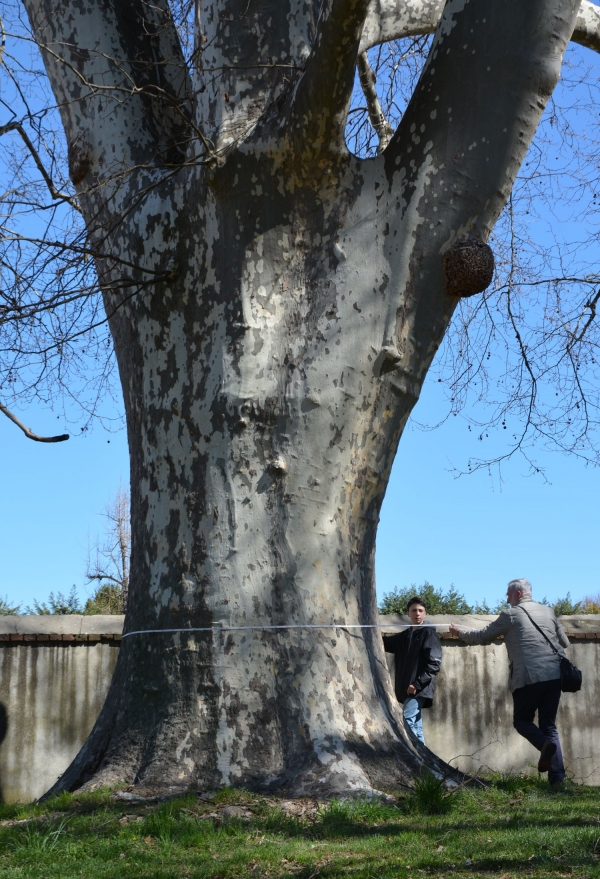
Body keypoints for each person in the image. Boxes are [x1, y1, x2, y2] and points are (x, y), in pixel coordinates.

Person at [449, 578, 570, 785]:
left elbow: (483, 636)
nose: (507, 599)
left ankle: (544, 745)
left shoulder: (511, 614)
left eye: (508, 594)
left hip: (528, 676)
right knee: (549, 726)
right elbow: (564, 642)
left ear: (518, 594)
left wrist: (459, 633)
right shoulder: (549, 612)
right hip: (555, 676)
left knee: (522, 721)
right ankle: (557, 780)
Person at [382, 596, 442, 744]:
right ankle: (423, 756)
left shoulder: (428, 633)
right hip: (407, 688)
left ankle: (413, 753)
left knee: (407, 721)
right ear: (408, 613)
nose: (417, 613)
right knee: (415, 725)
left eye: (421, 610)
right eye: (414, 610)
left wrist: (417, 684)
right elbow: (384, 642)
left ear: (425, 613)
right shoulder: (406, 636)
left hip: (418, 688)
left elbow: (434, 664)